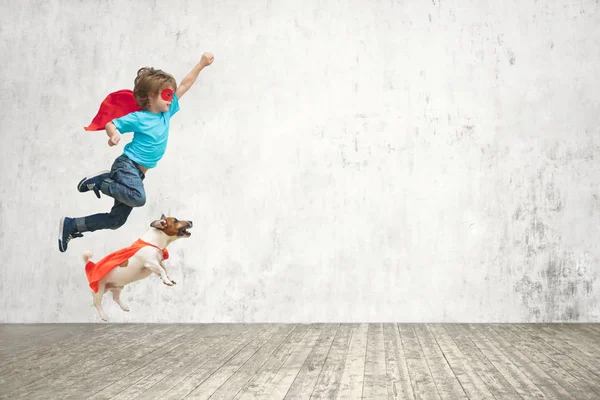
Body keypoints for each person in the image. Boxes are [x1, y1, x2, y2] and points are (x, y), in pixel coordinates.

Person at [58, 52, 214, 252]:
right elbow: (111, 123)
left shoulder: (167, 112)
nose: (170, 99)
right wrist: (113, 135)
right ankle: (102, 182)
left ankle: (73, 225)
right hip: (127, 166)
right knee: (139, 198)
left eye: (171, 95)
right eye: (166, 95)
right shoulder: (140, 118)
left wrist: (201, 64)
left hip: (137, 174)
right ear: (150, 96)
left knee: (116, 221)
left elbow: (185, 85)